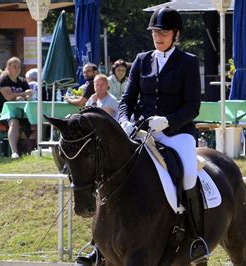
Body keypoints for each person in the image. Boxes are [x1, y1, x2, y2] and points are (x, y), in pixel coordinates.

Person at [76, 7, 207, 265]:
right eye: (155, 32)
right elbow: (126, 99)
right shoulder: (142, 59)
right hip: (141, 132)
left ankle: (195, 239)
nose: (158, 37)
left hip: (176, 133)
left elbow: (193, 107)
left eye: (164, 32)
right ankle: (99, 244)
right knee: (111, 171)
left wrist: (167, 121)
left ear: (176, 34)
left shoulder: (188, 62)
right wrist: (123, 120)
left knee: (189, 173)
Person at [0, 57, 34, 159]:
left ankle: (31, 150)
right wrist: (23, 94)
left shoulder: (22, 81)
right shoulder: (3, 80)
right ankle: (14, 152)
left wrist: (25, 96)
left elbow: (29, 95)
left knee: (35, 122)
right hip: (3, 112)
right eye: (14, 67)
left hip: (22, 112)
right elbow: (8, 96)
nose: (17, 69)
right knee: (14, 122)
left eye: (19, 67)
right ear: (8, 67)